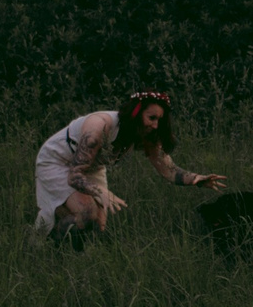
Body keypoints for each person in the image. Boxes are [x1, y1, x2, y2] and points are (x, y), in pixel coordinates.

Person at [33, 89, 225, 244]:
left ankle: (65, 247)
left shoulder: (143, 132)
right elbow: (75, 175)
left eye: (159, 120)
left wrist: (196, 179)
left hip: (91, 167)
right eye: (151, 118)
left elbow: (168, 170)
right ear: (135, 112)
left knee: (98, 225)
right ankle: (42, 245)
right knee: (88, 213)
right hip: (59, 162)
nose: (155, 125)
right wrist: (99, 191)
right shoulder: (98, 126)